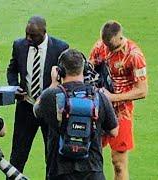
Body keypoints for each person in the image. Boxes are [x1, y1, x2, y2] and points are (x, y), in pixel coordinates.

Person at [33, 49, 118, 180]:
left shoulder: (50, 96)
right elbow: (114, 131)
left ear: (60, 71)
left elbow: (36, 110)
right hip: (93, 168)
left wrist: (54, 83)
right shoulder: (99, 97)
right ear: (84, 70)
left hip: (60, 171)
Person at [6, 15, 69, 173]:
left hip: (50, 109)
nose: (28, 38)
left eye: (32, 35)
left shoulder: (60, 48)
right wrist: (14, 87)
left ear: (44, 32)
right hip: (26, 106)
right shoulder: (19, 45)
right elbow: (12, 70)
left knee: (52, 154)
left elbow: (66, 76)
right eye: (26, 34)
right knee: (18, 154)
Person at [89, 20, 148, 180]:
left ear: (120, 37)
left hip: (121, 112)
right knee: (90, 157)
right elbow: (88, 73)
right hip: (98, 108)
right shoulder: (99, 47)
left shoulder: (135, 55)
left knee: (119, 163)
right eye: (105, 44)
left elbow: (142, 91)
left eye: (111, 45)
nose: (107, 48)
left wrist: (113, 97)